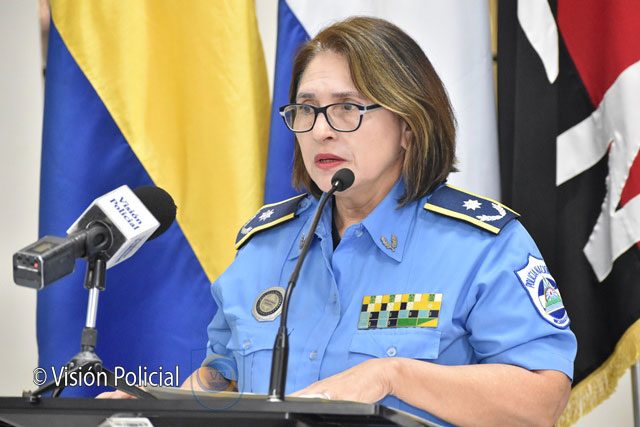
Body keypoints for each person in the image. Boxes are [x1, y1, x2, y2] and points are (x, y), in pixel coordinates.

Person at [103, 16, 577, 426]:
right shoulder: (265, 246)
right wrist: (153, 409)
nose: (321, 129)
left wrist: (393, 375)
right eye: (306, 109)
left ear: (408, 125)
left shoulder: (479, 245)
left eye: (347, 108)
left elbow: (542, 401)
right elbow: (221, 379)